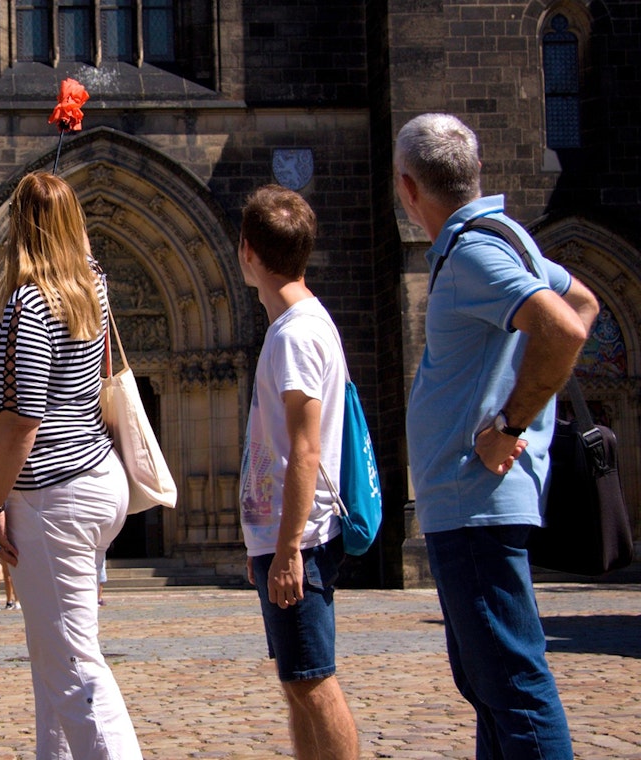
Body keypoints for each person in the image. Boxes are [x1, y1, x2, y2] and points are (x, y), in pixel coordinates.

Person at [395, 113, 598, 760]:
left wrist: (511, 423)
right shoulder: (502, 237)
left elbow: (565, 328)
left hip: (473, 503)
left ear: (408, 188)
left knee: (513, 686)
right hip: (469, 504)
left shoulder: (477, 250)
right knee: (489, 686)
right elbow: (586, 303)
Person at [0, 171, 142, 759]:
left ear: (20, 228)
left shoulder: (31, 301)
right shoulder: (90, 282)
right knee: (56, 657)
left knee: (72, 664)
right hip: (97, 478)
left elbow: (22, 418)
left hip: (54, 493)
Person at [236, 184, 359, 760]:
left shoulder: (297, 334)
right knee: (297, 681)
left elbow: (306, 452)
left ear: (248, 252)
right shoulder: (293, 327)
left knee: (313, 679)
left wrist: (287, 549)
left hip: (301, 541)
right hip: (285, 538)